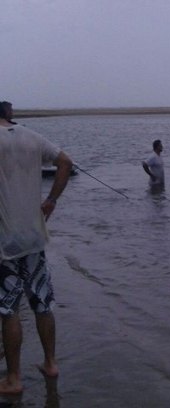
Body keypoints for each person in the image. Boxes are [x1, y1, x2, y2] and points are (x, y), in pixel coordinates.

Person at [0, 103, 73, 394]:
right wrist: (51, 200)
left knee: (8, 309)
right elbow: (66, 162)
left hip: (4, 241)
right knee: (42, 301)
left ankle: (14, 378)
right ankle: (51, 363)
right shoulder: (31, 137)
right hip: (34, 236)